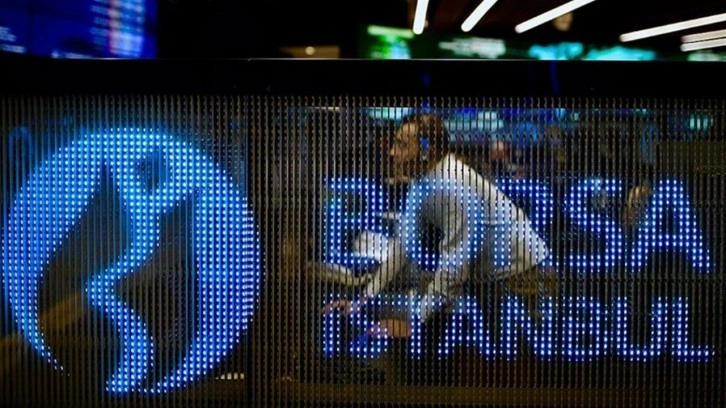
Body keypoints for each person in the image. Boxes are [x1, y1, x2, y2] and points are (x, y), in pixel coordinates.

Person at [323, 112, 557, 339]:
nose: (392, 152)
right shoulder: (422, 183)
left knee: (520, 360)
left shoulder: (453, 186)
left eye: (402, 145)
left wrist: (413, 324)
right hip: (497, 277)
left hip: (524, 277)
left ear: (427, 151)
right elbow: (402, 248)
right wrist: (360, 301)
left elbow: (454, 265)